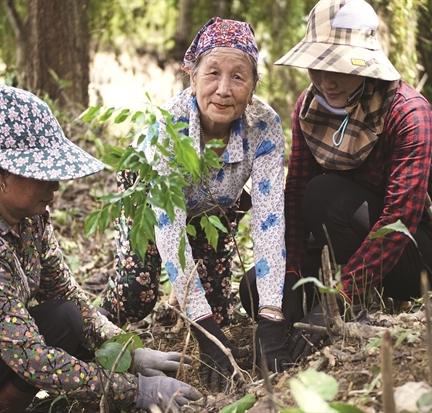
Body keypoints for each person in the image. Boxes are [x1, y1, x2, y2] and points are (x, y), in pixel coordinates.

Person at [0, 84, 202, 413]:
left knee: (65, 318)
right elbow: (30, 357)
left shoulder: (28, 219)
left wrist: (125, 351)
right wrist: (135, 390)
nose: (54, 186)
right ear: (0, 173)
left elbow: (66, 295)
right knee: (52, 339)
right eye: (42, 175)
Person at [101, 17, 292, 391]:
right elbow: (169, 228)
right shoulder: (168, 126)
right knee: (136, 294)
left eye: (239, 77)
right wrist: (202, 328)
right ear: (192, 78)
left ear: (253, 88)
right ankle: (92, 330)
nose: (224, 89)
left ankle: (190, 301)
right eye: (212, 73)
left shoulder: (265, 126)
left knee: (217, 312)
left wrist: (271, 315)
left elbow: (270, 220)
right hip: (152, 199)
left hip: (216, 208)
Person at [275, 0, 432, 360]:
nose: (327, 81)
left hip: (414, 252)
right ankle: (328, 296)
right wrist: (292, 275)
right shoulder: (309, 107)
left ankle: (363, 296)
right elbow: (293, 195)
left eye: (339, 67)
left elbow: (399, 218)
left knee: (323, 195)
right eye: (318, 66)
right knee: (257, 289)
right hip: (347, 239)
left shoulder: (408, 113)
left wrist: (339, 298)